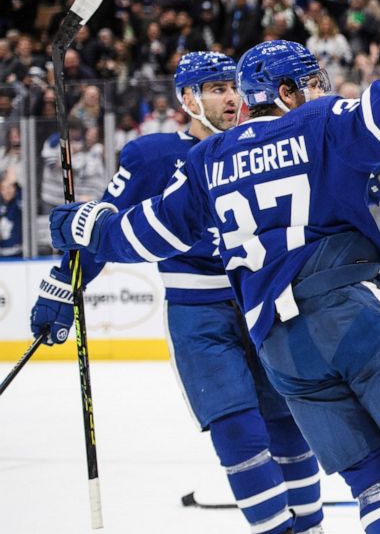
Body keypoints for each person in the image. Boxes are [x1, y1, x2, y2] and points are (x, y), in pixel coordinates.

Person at [48, 0, 380, 533]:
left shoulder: (207, 160)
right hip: (348, 313)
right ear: (288, 90)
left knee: (373, 484)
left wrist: (87, 227)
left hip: (280, 345)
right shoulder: (318, 122)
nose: (323, 91)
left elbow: (148, 233)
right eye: (314, 83)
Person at [30, 52, 328, 534]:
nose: (231, 97)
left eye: (233, 86)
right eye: (215, 88)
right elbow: (107, 229)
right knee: (237, 429)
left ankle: (311, 527)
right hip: (199, 315)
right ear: (187, 98)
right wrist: (62, 288)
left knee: (291, 426)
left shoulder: (268, 139)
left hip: (267, 301)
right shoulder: (151, 157)